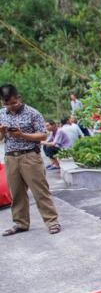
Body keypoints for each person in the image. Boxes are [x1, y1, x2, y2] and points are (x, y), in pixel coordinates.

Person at [0, 84, 61, 235]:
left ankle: (52, 221)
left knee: (40, 191)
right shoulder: (2, 114)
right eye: (6, 104)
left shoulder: (33, 113)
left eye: (13, 103)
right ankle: (20, 223)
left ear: (19, 98)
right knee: (16, 193)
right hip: (11, 157)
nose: (10, 107)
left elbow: (43, 135)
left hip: (30, 156)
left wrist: (22, 135)